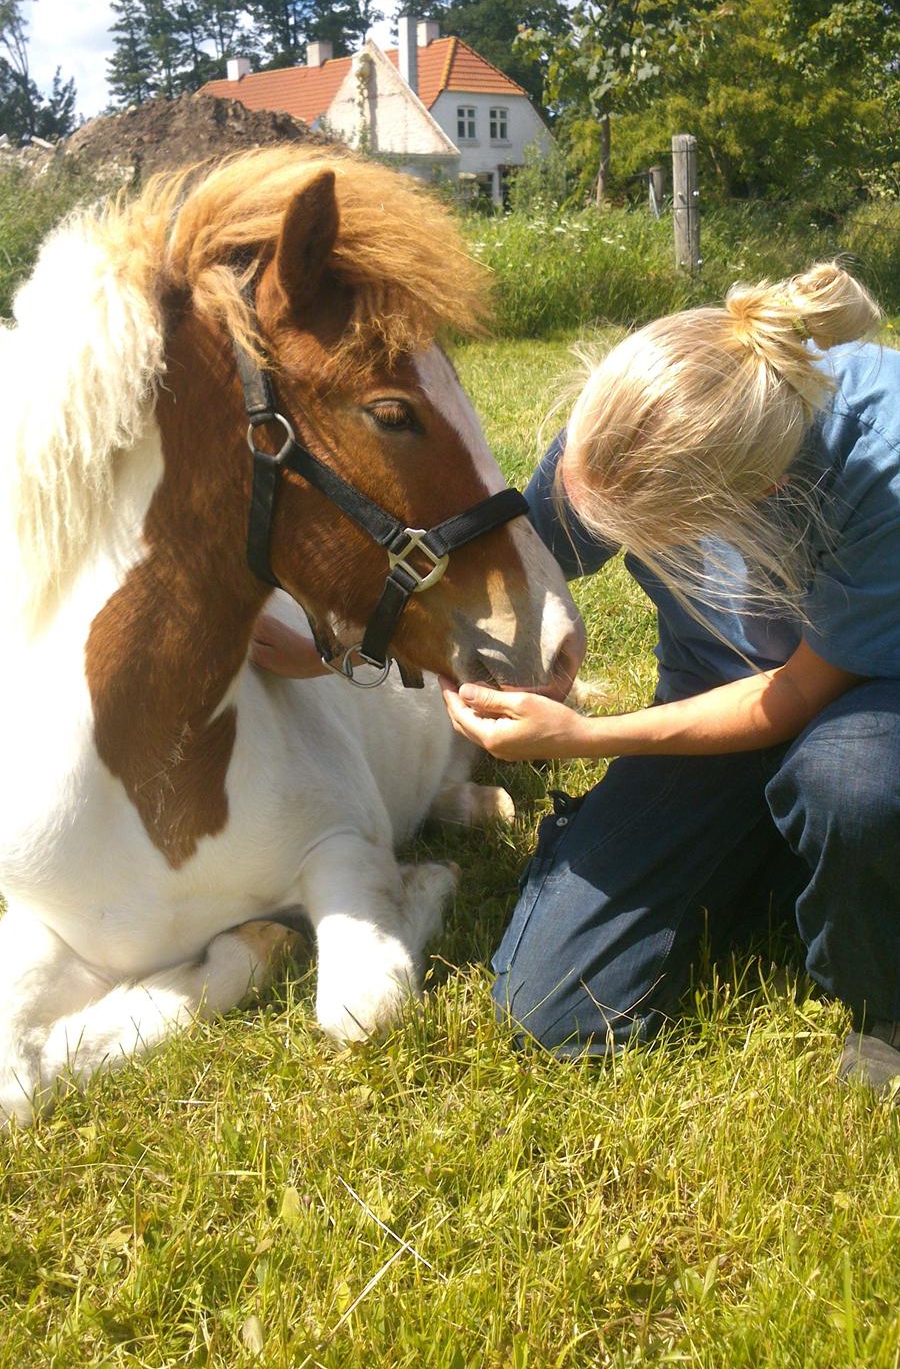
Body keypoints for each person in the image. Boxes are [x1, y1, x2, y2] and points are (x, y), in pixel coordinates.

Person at [252, 262, 899, 1097]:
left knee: (848, 781)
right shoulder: (640, 409)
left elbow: (800, 693)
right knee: (556, 1005)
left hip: (863, 703)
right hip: (714, 695)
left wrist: (584, 737)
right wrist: (346, 644)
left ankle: (883, 994)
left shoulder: (880, 467)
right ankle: (795, 861)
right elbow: (510, 576)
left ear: (756, 497)